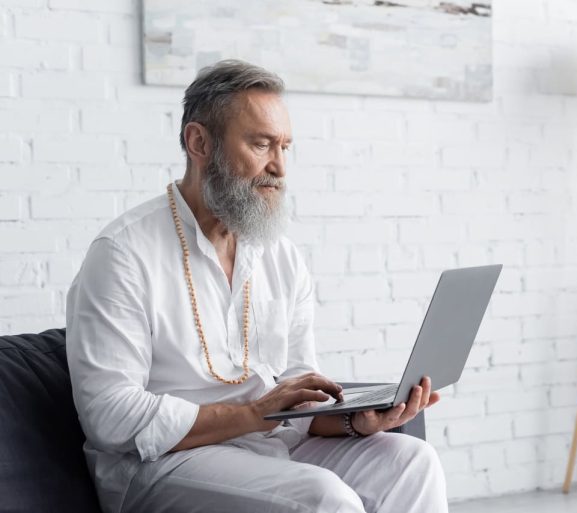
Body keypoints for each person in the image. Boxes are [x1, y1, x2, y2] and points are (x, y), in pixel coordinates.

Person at [66, 60, 448, 513]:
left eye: (285, 146)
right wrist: (251, 414)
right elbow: (109, 416)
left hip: (268, 446)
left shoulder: (280, 255)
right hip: (162, 465)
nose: (279, 167)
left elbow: (295, 396)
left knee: (411, 461)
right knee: (322, 498)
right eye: (261, 144)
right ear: (199, 142)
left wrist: (353, 423)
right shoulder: (123, 253)